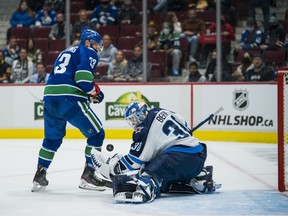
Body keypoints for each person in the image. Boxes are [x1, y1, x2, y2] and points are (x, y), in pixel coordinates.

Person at [90, 100, 221, 203]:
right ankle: (199, 177)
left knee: (148, 171)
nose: (134, 123)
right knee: (164, 172)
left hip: (178, 159)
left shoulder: (144, 130)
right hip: (198, 156)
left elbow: (133, 163)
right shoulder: (160, 111)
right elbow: (184, 123)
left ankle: (145, 188)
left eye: (133, 119)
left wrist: (110, 168)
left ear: (140, 115)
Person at [31, 29, 106, 192]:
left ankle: (39, 174)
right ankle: (89, 175)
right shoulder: (88, 51)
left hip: (50, 99)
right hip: (69, 99)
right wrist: (96, 93)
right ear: (87, 42)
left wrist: (89, 92)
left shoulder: (65, 51)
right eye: (96, 44)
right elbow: (83, 78)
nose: (98, 47)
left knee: (52, 139)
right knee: (97, 134)